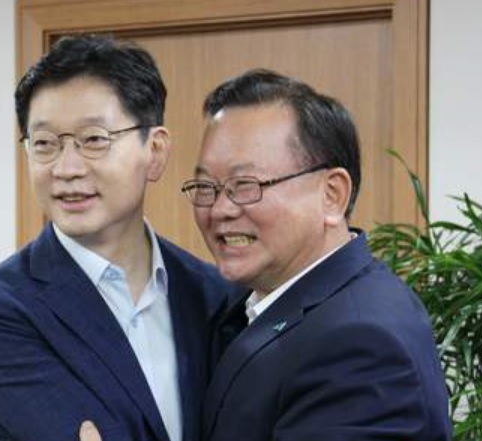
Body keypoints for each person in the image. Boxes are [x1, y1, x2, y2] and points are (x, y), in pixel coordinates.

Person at [0, 35, 237, 441]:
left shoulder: (216, 295)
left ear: (155, 151)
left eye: (93, 140)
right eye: (45, 144)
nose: (66, 168)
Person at [178, 69, 452, 441]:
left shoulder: (361, 342)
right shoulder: (257, 300)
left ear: (332, 194)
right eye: (206, 186)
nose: (220, 209)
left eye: (245, 185)